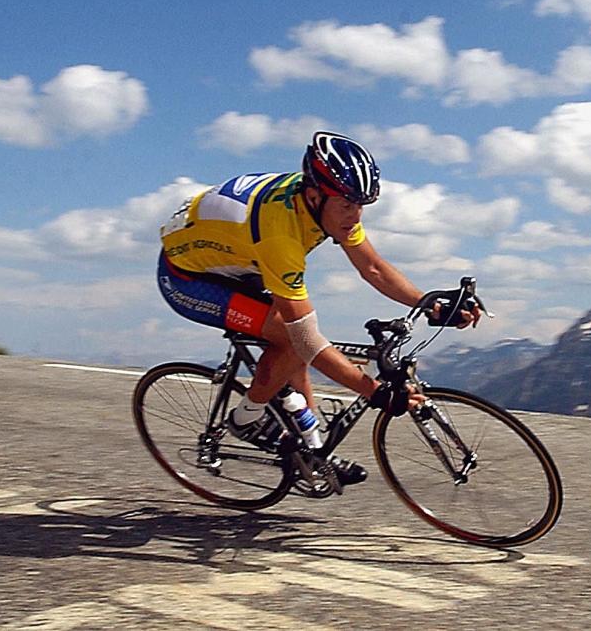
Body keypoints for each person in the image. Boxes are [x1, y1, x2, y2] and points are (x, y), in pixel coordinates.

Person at [156, 131, 480, 484]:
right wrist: (375, 392)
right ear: (313, 196)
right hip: (187, 277)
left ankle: (312, 451)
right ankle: (246, 418)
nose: (355, 216)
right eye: (347, 205)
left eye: (360, 206)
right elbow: (307, 341)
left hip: (236, 258)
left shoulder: (325, 202)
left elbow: (372, 267)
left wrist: (429, 304)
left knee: (295, 347)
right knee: (293, 338)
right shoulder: (281, 234)